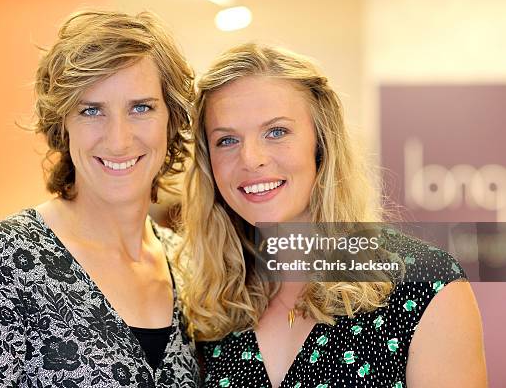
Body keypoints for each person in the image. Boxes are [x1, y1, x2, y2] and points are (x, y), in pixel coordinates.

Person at [179, 43, 486, 387]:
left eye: (276, 131)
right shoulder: (207, 308)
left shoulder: (423, 285)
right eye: (227, 140)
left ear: (321, 143)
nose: (250, 158)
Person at [0, 10, 200, 387]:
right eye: (91, 110)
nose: (119, 139)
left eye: (141, 108)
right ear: (63, 123)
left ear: (171, 119)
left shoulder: (189, 266)